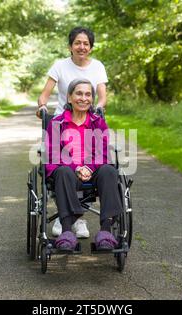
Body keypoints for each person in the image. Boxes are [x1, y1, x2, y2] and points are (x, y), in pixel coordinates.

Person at [38, 27, 109, 237]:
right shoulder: (60, 66)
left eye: (86, 43)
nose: (82, 47)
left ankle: (78, 220)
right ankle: (67, 217)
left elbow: (102, 96)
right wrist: (42, 107)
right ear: (70, 46)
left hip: (89, 118)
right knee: (63, 166)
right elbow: (44, 95)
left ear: (91, 47)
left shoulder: (97, 66)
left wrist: (98, 107)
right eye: (77, 43)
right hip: (63, 121)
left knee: (96, 162)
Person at [45, 78, 122, 251]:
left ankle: (105, 232)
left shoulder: (98, 122)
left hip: (93, 172)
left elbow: (102, 152)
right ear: (69, 97)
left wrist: (89, 167)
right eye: (79, 93)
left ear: (92, 99)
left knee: (110, 171)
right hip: (67, 173)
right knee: (64, 171)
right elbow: (54, 154)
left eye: (88, 94)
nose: (84, 98)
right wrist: (77, 168)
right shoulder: (56, 123)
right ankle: (66, 232)